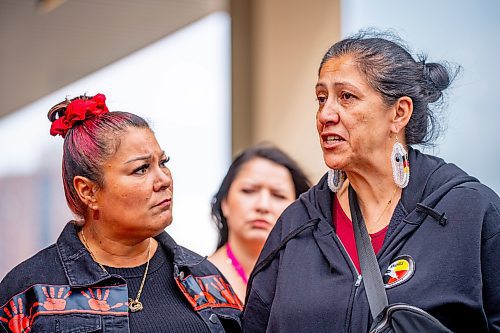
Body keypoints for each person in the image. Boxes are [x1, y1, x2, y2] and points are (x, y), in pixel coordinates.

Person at [242, 29, 500, 332]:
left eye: (346, 97)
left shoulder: (469, 212)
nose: (325, 114)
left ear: (399, 113)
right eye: (321, 98)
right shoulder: (296, 224)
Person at [0, 94, 242, 333]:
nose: (163, 180)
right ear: (88, 191)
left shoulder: (204, 278)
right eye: (141, 169)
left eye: (164, 163)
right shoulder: (30, 294)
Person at [208, 144, 311, 302]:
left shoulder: (312, 283)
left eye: (278, 195)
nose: (263, 205)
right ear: (225, 203)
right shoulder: (197, 279)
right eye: (249, 191)